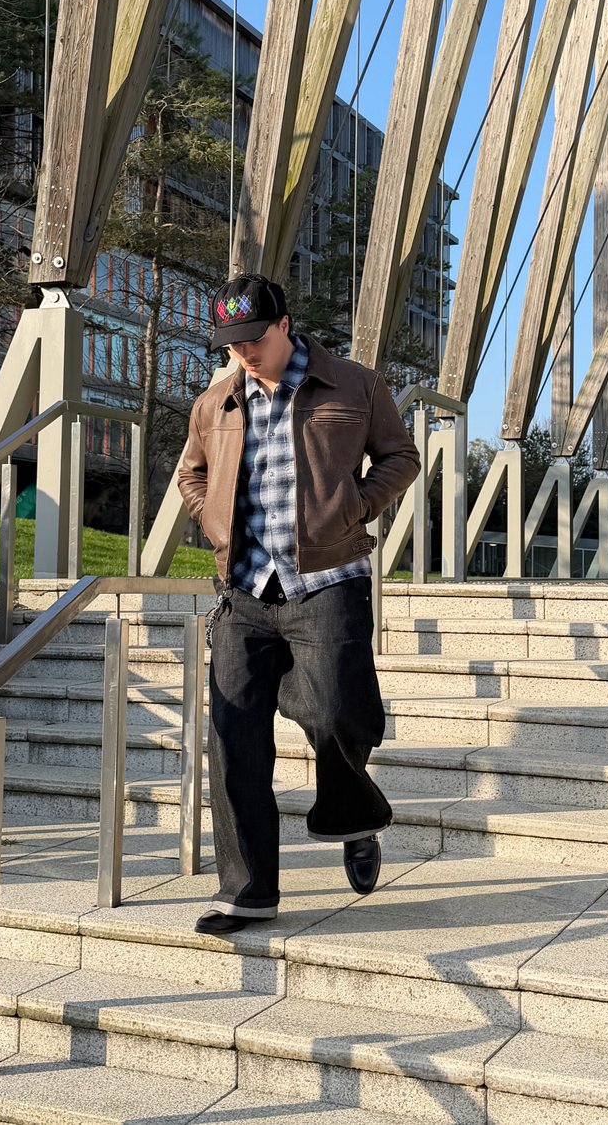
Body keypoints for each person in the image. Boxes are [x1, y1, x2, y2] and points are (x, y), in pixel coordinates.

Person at [178, 273, 421, 935]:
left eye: (254, 338)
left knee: (339, 714)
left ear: (285, 325)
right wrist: (213, 522)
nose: (244, 352)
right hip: (244, 590)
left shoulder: (354, 385)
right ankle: (247, 891)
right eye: (232, 343)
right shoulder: (216, 401)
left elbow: (400, 456)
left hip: (329, 579)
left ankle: (353, 815)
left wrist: (357, 506)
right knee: (233, 739)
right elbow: (191, 473)